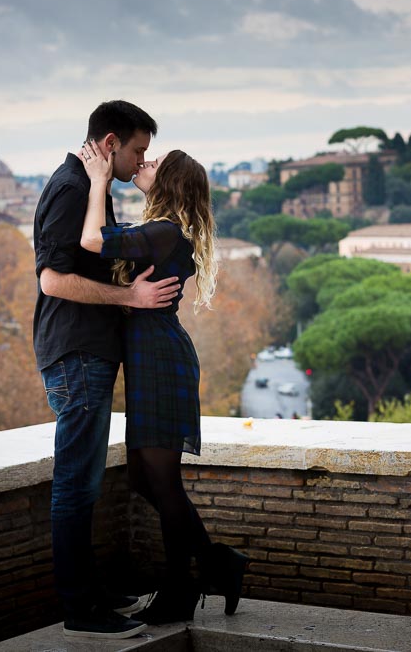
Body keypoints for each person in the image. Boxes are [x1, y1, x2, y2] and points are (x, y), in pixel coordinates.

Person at [78, 141, 248, 625]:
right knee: (141, 479)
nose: (145, 163)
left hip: (160, 361)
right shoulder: (162, 231)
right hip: (152, 360)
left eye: (156, 163)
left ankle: (180, 589)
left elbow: (93, 241)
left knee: (164, 483)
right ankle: (218, 563)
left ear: (169, 182)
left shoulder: (164, 232)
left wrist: (97, 181)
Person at [33, 100, 181, 640]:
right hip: (76, 353)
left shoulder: (90, 185)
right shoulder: (75, 188)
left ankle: (92, 593)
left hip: (87, 350)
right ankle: (80, 607)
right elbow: (53, 279)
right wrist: (130, 297)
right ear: (113, 141)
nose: (142, 157)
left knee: (86, 484)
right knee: (74, 485)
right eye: (139, 148)